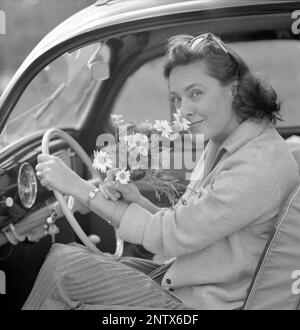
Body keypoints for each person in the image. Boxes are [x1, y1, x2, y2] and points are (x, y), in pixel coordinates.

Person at [23, 33, 299, 310]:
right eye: (177, 99)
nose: (184, 111)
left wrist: (78, 187)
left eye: (196, 93)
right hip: (185, 280)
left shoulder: (256, 164)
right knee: (71, 260)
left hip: (205, 304)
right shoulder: (225, 142)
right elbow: (185, 227)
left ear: (233, 90)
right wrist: (136, 199)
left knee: (64, 269)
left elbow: (170, 235)